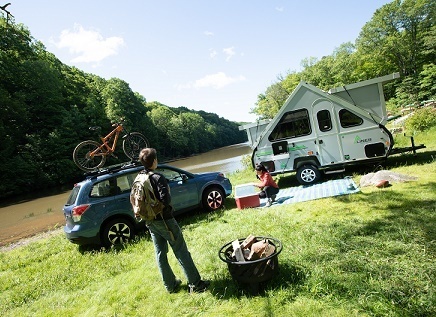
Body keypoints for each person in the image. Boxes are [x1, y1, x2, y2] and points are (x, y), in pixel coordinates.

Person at [136, 148, 210, 293]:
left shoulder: (139, 177)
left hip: (150, 221)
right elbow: (165, 199)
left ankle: (170, 285)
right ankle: (196, 284)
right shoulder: (157, 177)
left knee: (160, 254)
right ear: (155, 161)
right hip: (164, 220)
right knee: (181, 250)